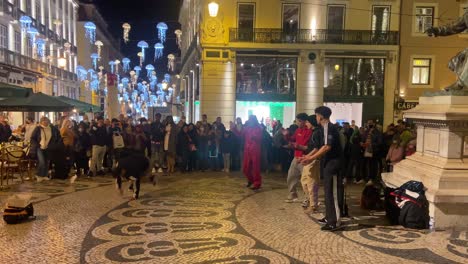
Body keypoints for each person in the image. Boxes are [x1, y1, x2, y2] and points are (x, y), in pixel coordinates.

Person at [300, 106, 343, 231]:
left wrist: (311, 158)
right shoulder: (325, 128)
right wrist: (309, 157)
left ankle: (334, 221)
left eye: (317, 115)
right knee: (328, 191)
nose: (316, 118)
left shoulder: (328, 127)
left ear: (321, 116)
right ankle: (329, 217)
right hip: (328, 163)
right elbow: (320, 147)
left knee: (332, 192)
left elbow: (326, 147)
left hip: (334, 163)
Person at [285, 113, 313, 203]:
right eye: (298, 121)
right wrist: (286, 136)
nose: (298, 123)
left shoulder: (309, 131)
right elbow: (292, 139)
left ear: (305, 121)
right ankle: (292, 195)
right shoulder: (298, 130)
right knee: (291, 176)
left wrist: (297, 146)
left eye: (300, 121)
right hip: (296, 157)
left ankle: (309, 198)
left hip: (305, 158)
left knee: (306, 180)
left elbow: (307, 145)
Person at [30, 117, 63, 182]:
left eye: (46, 121)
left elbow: (58, 136)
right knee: (42, 161)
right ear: (41, 121)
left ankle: (44, 175)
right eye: (43, 121)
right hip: (40, 147)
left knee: (47, 162)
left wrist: (54, 145)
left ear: (48, 121)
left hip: (49, 147)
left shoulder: (52, 128)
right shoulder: (38, 128)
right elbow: (32, 138)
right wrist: (37, 145)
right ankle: (39, 175)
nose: (45, 122)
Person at [300, 115, 322, 213]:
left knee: (311, 183)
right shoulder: (314, 132)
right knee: (304, 181)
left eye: (308, 122)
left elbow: (317, 148)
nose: (306, 124)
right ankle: (310, 201)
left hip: (313, 160)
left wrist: (308, 157)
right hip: (309, 159)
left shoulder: (317, 132)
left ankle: (313, 206)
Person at [242, 115, 263, 190]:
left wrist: (255, 137)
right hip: (247, 150)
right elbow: (240, 134)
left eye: (251, 120)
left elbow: (260, 138)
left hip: (255, 151)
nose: (249, 121)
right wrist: (233, 129)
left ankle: (257, 183)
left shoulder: (258, 128)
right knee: (245, 168)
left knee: (255, 168)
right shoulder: (247, 128)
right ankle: (251, 180)